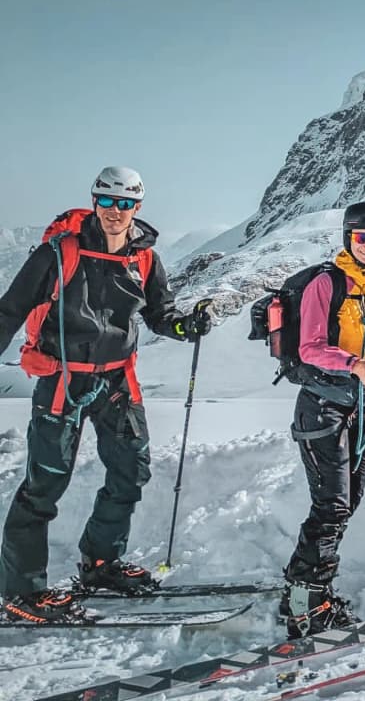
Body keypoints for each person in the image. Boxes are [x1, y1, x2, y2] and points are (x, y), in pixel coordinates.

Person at [0, 166, 212, 623]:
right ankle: (22, 592)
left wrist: (183, 325)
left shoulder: (146, 258)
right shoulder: (58, 254)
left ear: (138, 206)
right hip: (62, 381)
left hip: (116, 381)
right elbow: (10, 309)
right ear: (94, 201)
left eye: (126, 203)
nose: (116, 212)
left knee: (130, 471)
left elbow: (159, 313)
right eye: (108, 201)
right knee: (43, 486)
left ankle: (100, 564)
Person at [278, 200, 365, 639]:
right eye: (361, 237)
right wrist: (356, 365)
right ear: (348, 238)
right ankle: (304, 601)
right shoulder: (328, 283)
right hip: (323, 405)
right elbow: (310, 347)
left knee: (347, 501)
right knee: (332, 504)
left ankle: (308, 589)